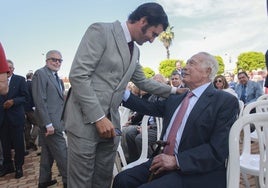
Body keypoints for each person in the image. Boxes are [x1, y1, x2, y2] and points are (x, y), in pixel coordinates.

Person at [62, 3, 184, 188]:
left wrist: (175, 91)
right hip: (84, 122)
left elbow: (143, 82)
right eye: (153, 34)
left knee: (103, 179)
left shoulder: (135, 50)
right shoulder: (101, 30)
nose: (152, 40)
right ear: (143, 21)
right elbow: (79, 75)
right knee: (81, 182)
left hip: (111, 127)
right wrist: (98, 117)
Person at [113, 52, 239, 188]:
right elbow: (148, 106)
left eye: (192, 63)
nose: (185, 67)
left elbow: (217, 149)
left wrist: (176, 161)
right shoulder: (177, 98)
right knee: (122, 179)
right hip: (162, 160)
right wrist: (119, 91)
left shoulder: (224, 101)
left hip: (195, 170)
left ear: (207, 71)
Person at [32, 50, 67, 188]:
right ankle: (68, 181)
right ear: (47, 61)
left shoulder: (58, 78)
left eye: (60, 60)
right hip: (51, 124)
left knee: (47, 153)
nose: (57, 62)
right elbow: (40, 100)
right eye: (54, 59)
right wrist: (48, 124)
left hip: (55, 122)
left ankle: (44, 181)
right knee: (63, 156)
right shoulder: (40, 73)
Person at [0, 60, 28, 179]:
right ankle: (8, 166)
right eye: (6, 67)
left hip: (16, 117)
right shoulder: (1, 82)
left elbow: (26, 97)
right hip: (2, 118)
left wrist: (13, 101)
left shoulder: (20, 80)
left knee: (18, 144)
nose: (9, 69)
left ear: (13, 69)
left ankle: (18, 166)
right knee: (5, 144)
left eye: (10, 67)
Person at [24, 72, 39, 151]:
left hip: (24, 109)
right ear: (31, 77)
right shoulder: (32, 84)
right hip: (31, 108)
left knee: (27, 127)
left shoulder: (24, 84)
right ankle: (31, 141)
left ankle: (27, 144)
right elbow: (34, 95)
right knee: (37, 124)